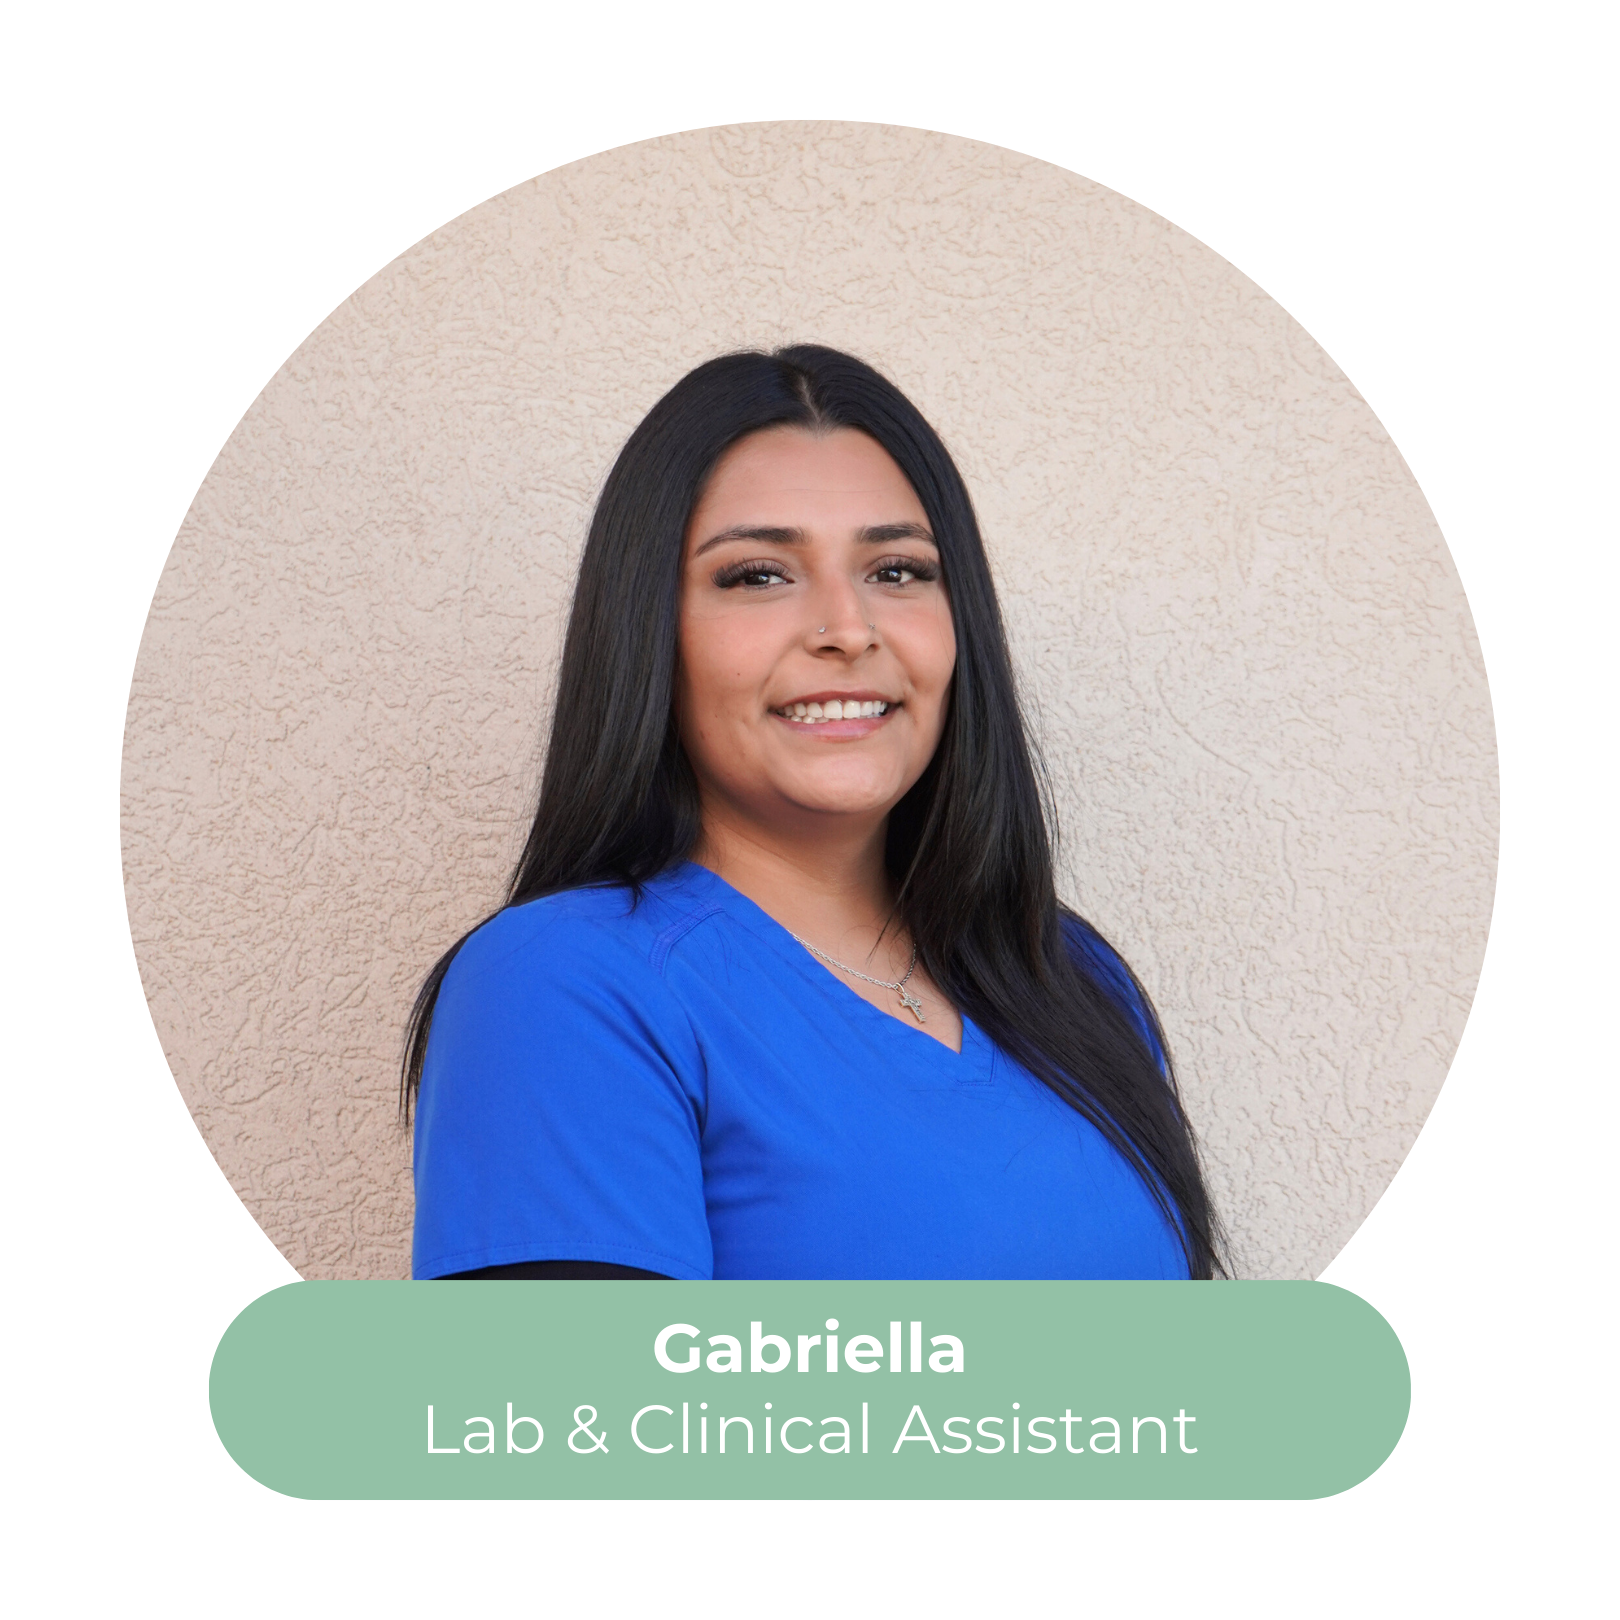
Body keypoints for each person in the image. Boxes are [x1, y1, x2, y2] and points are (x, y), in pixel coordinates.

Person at [405, 345, 1223, 1282]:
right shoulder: (560, 986)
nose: (848, 628)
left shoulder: (1068, 974)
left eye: (898, 570)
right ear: (648, 628)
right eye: (758, 575)